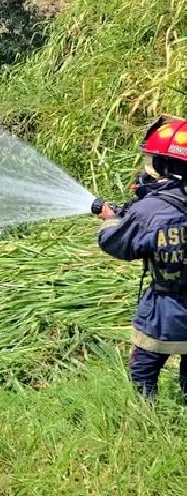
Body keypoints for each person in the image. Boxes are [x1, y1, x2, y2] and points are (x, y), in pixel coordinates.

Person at [98, 114, 187, 399]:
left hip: (166, 309)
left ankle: (146, 422)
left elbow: (116, 244)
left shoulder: (150, 210)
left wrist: (110, 218)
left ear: (166, 164)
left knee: (143, 372)